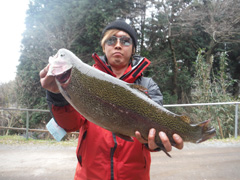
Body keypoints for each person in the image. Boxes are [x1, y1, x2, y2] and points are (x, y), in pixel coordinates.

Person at [39, 19, 183, 180]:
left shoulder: (147, 85)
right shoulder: (83, 79)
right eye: (111, 40)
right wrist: (56, 94)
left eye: (125, 41)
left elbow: (155, 129)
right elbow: (69, 124)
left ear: (133, 48)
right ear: (103, 45)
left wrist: (157, 144)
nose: (118, 45)